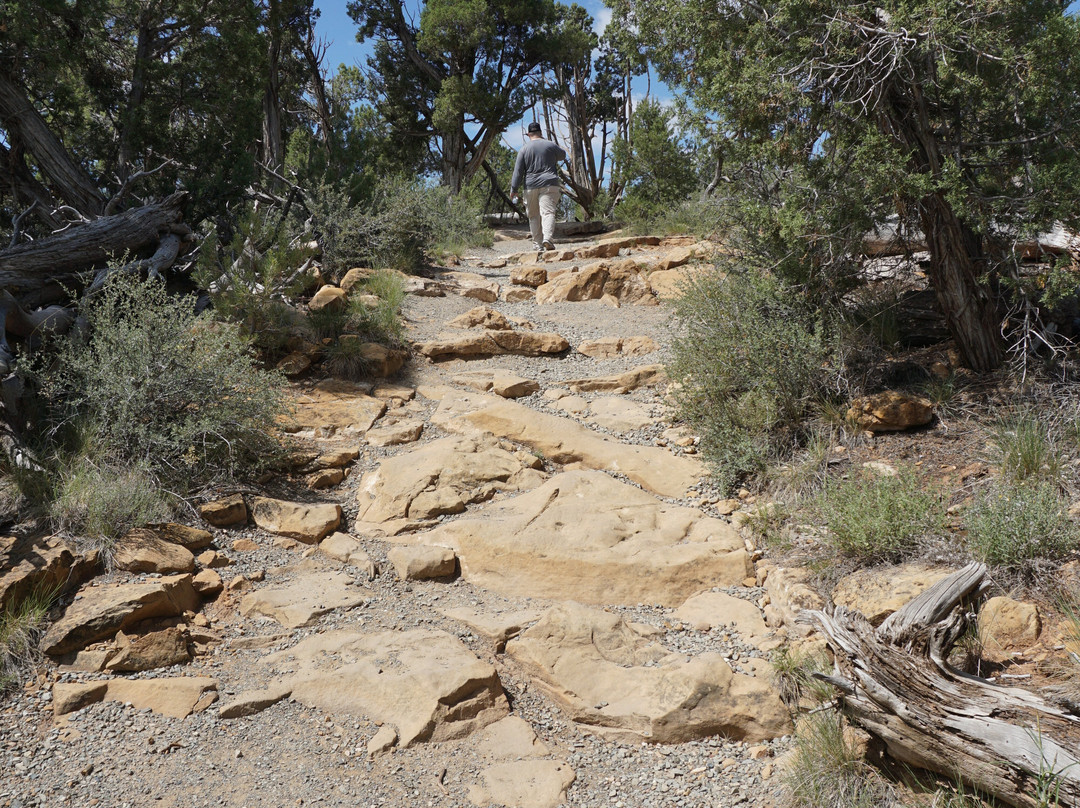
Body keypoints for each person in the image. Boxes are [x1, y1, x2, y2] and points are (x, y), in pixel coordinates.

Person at [510, 122, 565, 255]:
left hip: (530, 185)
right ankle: (548, 238)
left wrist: (514, 189)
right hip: (549, 183)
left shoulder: (523, 149)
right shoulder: (550, 145)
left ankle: (537, 245)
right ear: (540, 133)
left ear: (528, 134)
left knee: (533, 215)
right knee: (548, 212)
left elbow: (518, 172)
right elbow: (562, 155)